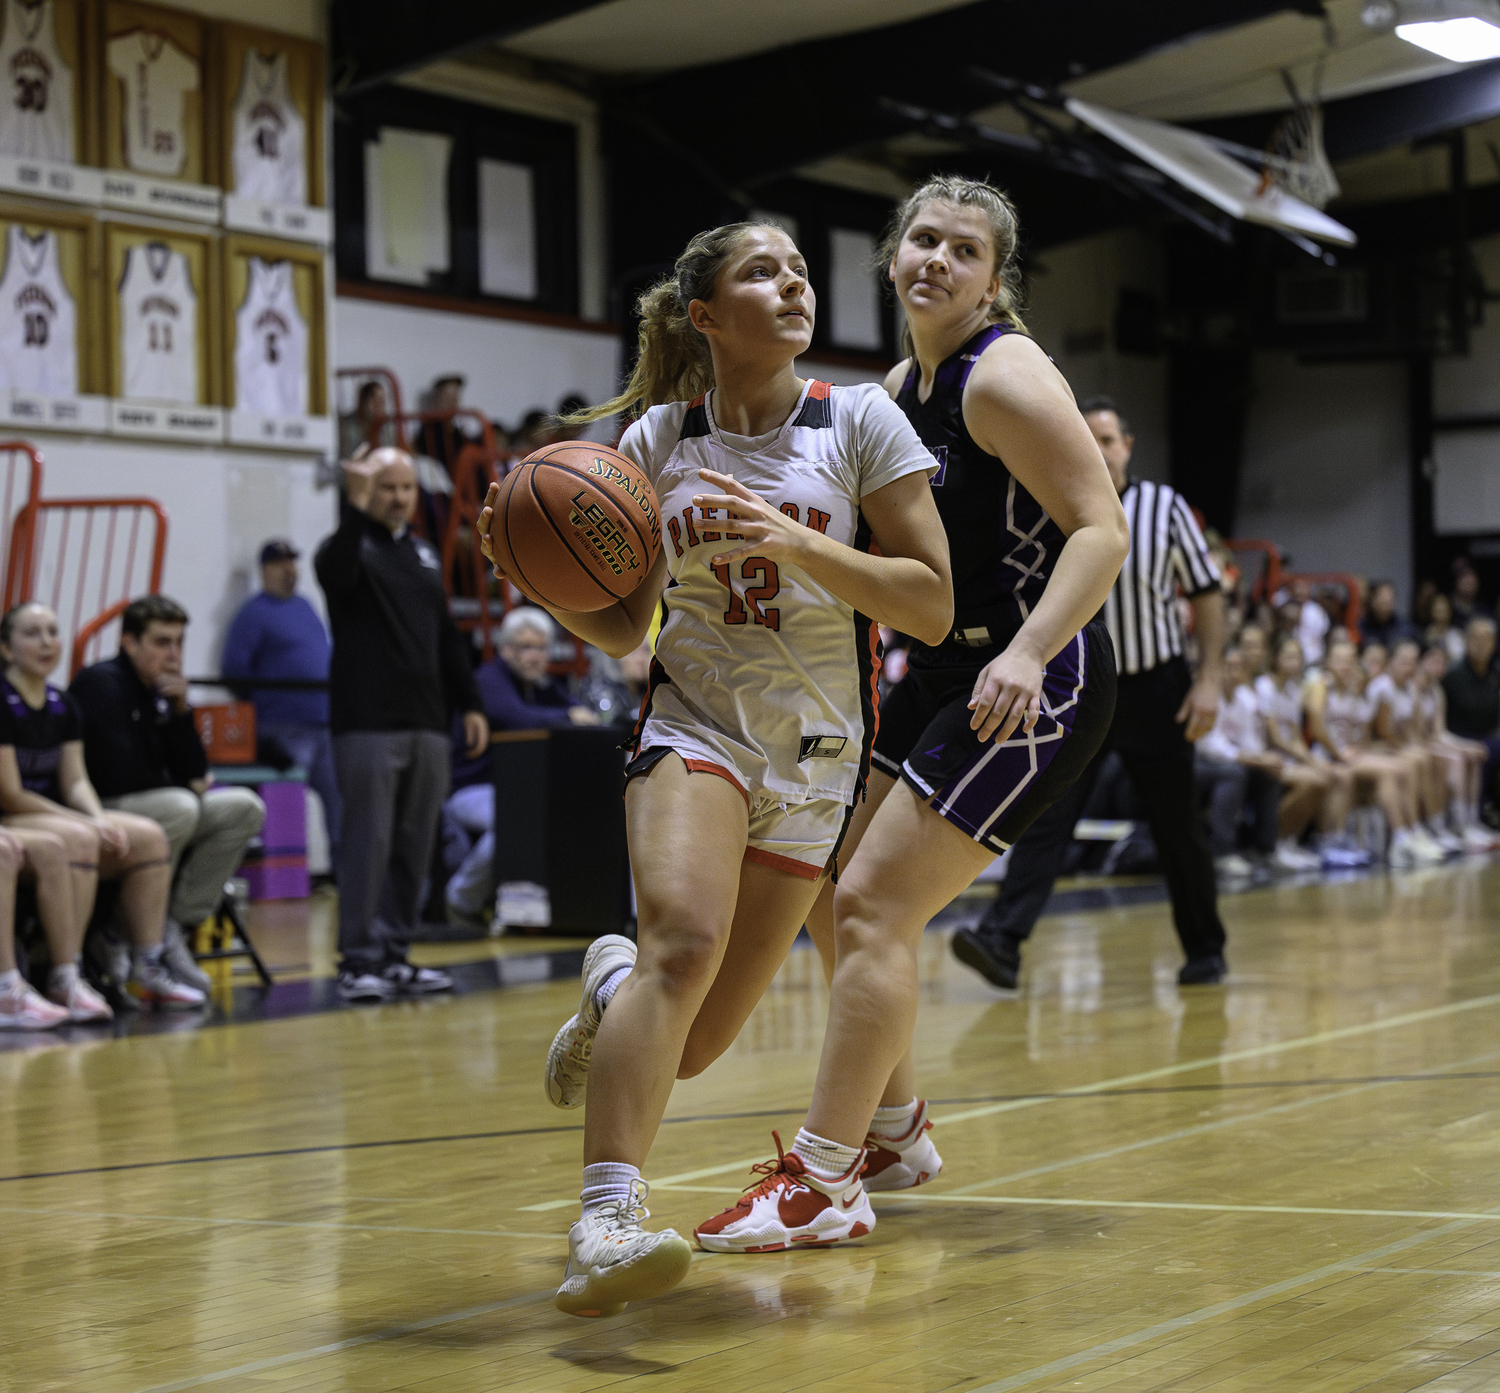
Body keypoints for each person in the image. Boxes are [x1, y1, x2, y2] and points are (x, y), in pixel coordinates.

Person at [480, 217, 955, 1314]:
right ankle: (605, 1218)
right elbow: (622, 624)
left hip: (820, 758)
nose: (794, 285)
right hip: (692, 726)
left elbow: (930, 605)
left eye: (799, 270)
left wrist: (803, 548)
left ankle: (611, 981)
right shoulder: (655, 442)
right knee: (683, 944)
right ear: (705, 315)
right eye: (762, 272)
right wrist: (546, 579)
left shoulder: (859, 422)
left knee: (687, 1046)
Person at [689, 178, 1125, 1258]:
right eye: (922, 240)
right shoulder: (897, 384)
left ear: (993, 276)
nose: (936, 260)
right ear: (892, 257)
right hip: (942, 670)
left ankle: (826, 1180)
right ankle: (894, 1129)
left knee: (877, 903)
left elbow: (1101, 530)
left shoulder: (1005, 376)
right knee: (833, 885)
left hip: (1038, 672)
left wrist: (1028, 652)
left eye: (963, 249)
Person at [949, 393, 1226, 993]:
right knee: (1046, 815)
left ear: (1128, 446)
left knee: (1178, 825)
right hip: (1081, 679)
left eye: (1108, 438)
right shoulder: (1055, 503)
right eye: (1088, 438)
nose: (1099, 448)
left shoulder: (1165, 506)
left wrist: (1209, 678)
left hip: (1156, 687)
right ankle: (1003, 939)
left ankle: (1205, 948)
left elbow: (1207, 593)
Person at [316, 446, 488, 1002]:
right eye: (387, 487)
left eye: (405, 488)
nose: (397, 497)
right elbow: (336, 575)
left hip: (427, 725)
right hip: (367, 725)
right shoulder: (345, 548)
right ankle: (357, 959)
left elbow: (445, 639)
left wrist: (471, 704)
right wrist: (353, 505)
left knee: (415, 844)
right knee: (368, 843)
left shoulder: (424, 556)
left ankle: (394, 956)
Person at [1, 602, 196, 1012]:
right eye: (32, 634)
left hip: (47, 813)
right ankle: (66, 972)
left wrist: (96, 816)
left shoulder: (62, 703)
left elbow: (74, 780)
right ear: (5, 648)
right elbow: (11, 794)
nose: (46, 643)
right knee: (79, 837)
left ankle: (147, 962)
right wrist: (81, 822)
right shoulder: (3, 700)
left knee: (148, 837)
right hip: (16, 813)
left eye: (53, 632)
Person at [70, 595, 264, 992]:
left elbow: (194, 770)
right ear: (129, 643)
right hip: (101, 808)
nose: (173, 654)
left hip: (161, 804)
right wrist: (185, 785)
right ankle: (121, 934)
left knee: (244, 807)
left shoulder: (163, 690)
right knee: (180, 806)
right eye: (162, 642)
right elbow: (119, 775)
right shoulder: (100, 684)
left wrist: (180, 711)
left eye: (178, 642)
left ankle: (171, 925)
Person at [442, 607, 598, 932]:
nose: (534, 656)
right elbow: (522, 719)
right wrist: (569, 717)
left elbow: (577, 710)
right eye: (526, 647)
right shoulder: (489, 679)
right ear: (506, 649)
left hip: (518, 787)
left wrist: (573, 714)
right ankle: (460, 900)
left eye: (541, 648)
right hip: (470, 788)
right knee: (514, 821)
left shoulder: (542, 685)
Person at [221, 539, 341, 862]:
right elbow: (234, 669)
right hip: (283, 726)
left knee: (340, 803)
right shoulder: (254, 614)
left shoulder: (305, 606)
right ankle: (284, 876)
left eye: (292, 562)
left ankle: (342, 878)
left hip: (322, 724)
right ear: (265, 571)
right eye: (280, 563)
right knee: (286, 805)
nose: (289, 570)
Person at [1306, 639, 1440, 869]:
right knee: (1388, 770)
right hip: (1326, 755)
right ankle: (1335, 841)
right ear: (1328, 662)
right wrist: (1340, 754)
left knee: (1398, 769)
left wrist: (1366, 749)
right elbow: (1317, 728)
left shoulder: (1352, 689)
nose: (1344, 666)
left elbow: (1359, 735)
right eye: (1338, 660)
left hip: (1348, 753)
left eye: (1348, 660)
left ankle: (1406, 836)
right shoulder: (1320, 686)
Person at [1253, 637, 1345, 870]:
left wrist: (1312, 760)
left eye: (1297, 657)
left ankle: (1290, 841)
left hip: (1289, 757)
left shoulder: (1294, 689)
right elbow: (1274, 738)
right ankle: (1275, 843)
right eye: (1288, 657)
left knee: (1325, 777)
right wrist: (1307, 760)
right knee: (1313, 782)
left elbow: (1295, 736)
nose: (1294, 663)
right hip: (1266, 756)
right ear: (1275, 659)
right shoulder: (1265, 686)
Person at [1369, 639, 1459, 856]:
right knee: (1416, 760)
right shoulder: (1383, 687)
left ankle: (1435, 825)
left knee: (1430, 757)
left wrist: (1419, 746)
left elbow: (1411, 728)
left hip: (1396, 744)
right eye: (1403, 662)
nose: (1408, 667)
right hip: (1377, 745)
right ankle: (1413, 829)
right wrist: (1409, 749)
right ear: (1390, 662)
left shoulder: (1410, 687)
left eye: (1412, 663)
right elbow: (1383, 732)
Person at [1194, 648, 1276, 878]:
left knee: (1267, 775)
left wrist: (1262, 760)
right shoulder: (1207, 695)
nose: (1232, 672)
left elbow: (1251, 744)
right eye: (1227, 666)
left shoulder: (1246, 700)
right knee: (1233, 774)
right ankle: (1223, 852)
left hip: (1230, 763)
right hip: (1197, 763)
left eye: (1238, 667)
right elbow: (1208, 746)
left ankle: (1264, 849)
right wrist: (1252, 758)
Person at [1414, 643, 1495, 851]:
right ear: (1421, 662)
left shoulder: (1437, 691)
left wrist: (1467, 746)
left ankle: (1470, 820)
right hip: (1417, 744)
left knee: (1474, 754)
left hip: (1431, 742)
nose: (1438, 666)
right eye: (1433, 660)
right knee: (1456, 759)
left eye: (1442, 662)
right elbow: (1419, 735)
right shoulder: (1414, 688)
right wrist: (1457, 750)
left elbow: (1440, 732)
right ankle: (1454, 824)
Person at [1441, 615, 1500, 819]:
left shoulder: (1495, 675)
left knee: (1489, 748)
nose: (1480, 643)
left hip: (1489, 737)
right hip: (1457, 737)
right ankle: (1475, 815)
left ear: (1494, 644)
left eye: (1486, 638)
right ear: (1465, 640)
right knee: (1479, 753)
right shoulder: (1451, 675)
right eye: (1475, 637)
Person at [338, 379, 394, 460]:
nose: (380, 407)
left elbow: (389, 452)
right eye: (376, 402)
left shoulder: (384, 425)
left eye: (382, 402)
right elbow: (349, 456)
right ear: (364, 402)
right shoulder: (349, 424)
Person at [1360, 581, 1415, 651]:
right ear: (1372, 600)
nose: (1385, 601)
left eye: (1389, 598)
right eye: (1381, 598)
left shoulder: (1406, 628)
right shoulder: (1361, 627)